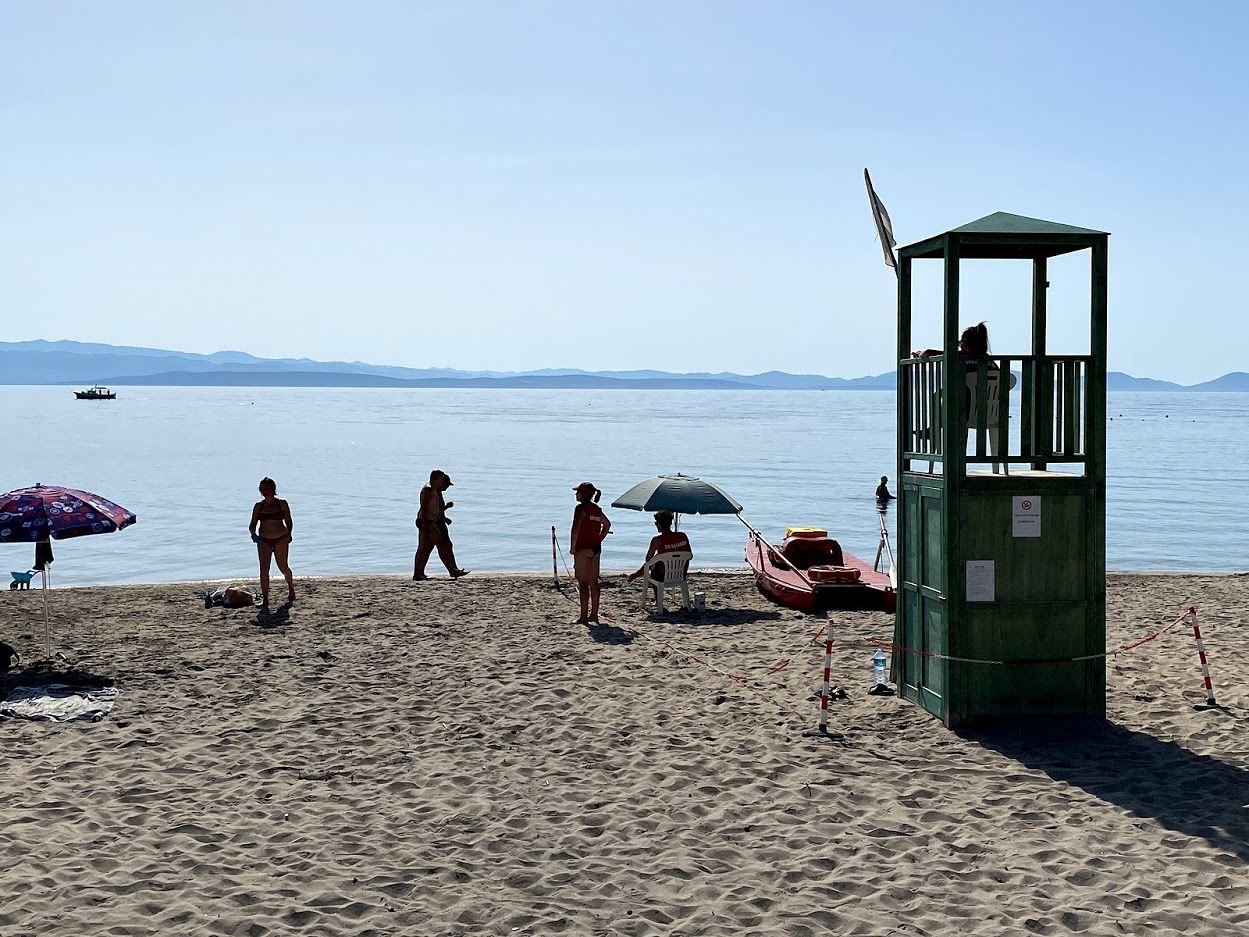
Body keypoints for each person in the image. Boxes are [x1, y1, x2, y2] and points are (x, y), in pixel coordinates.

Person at [248, 477, 295, 607]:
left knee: (283, 566)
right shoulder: (259, 506)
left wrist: (289, 534)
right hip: (264, 540)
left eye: (267, 489)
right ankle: (266, 599)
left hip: (281, 538)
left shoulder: (282, 503)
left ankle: (291, 588)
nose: (265, 491)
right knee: (264, 569)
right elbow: (252, 525)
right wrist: (253, 535)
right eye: (262, 489)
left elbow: (289, 521)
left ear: (273, 489)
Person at [413, 470, 469, 580]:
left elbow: (437, 508)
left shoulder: (435, 490)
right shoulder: (428, 489)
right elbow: (424, 508)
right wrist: (424, 523)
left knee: (429, 548)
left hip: (433, 521)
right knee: (434, 546)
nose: (442, 481)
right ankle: (451, 571)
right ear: (437, 478)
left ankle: (420, 573)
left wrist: (444, 517)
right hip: (427, 521)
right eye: (441, 479)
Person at [570, 482, 611, 625]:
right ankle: (594, 614)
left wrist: (573, 548)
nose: (576, 495)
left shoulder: (580, 509)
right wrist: (599, 538)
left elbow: (575, 531)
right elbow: (607, 525)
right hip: (595, 549)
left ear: (585, 494)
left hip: (583, 549)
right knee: (593, 582)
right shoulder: (596, 509)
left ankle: (583, 617)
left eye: (578, 492)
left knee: (583, 583)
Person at [627, 511, 692, 592]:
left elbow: (648, 559)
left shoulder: (657, 540)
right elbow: (690, 556)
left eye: (656, 523)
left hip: (663, 576)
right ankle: (636, 574)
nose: (655, 525)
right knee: (657, 560)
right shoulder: (683, 536)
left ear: (659, 524)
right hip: (681, 574)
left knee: (652, 563)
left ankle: (658, 599)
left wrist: (658, 553)